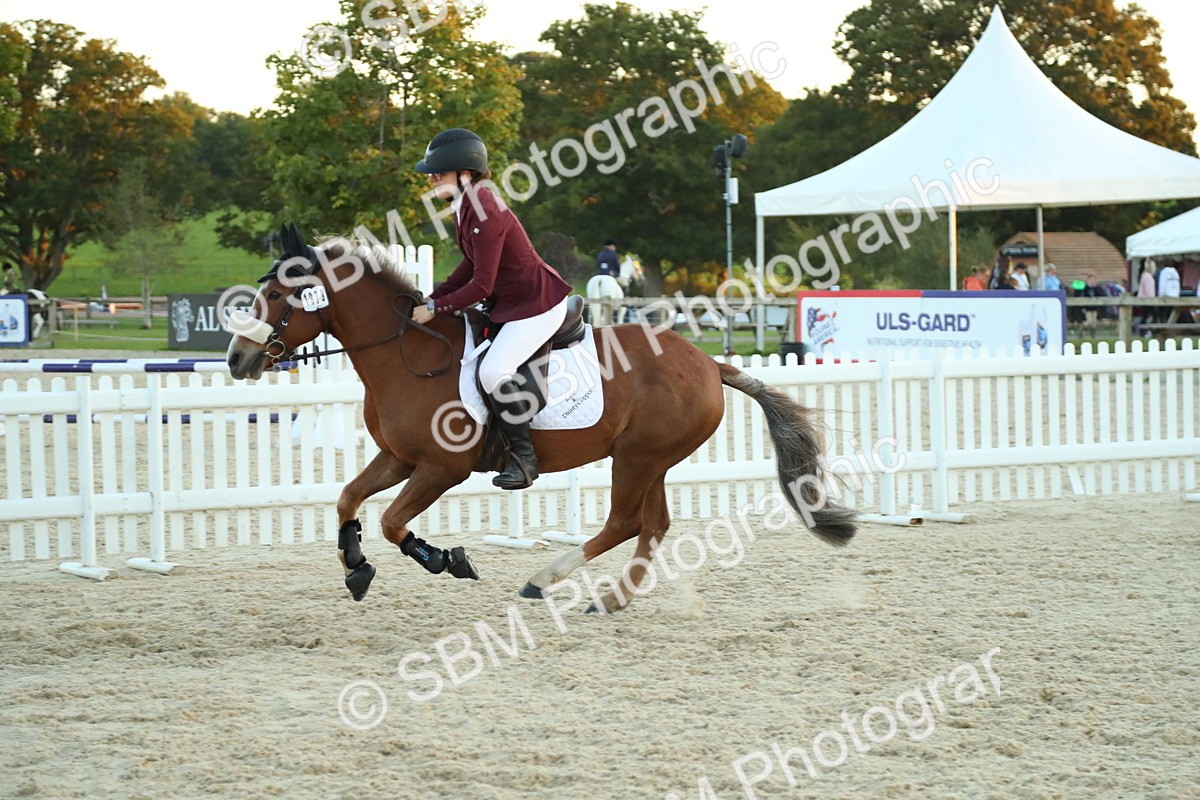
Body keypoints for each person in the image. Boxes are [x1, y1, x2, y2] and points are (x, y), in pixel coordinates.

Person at [411, 128, 571, 491]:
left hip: (536, 305)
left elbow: (481, 284)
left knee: (493, 370)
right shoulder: (466, 205)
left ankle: (524, 459)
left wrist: (437, 308)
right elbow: (468, 266)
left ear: (465, 173)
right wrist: (432, 297)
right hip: (510, 304)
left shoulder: (484, 209)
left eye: (439, 171)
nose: (431, 178)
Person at [1136, 262, 1157, 336]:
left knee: (1145, 316)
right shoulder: (1148, 277)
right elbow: (1149, 290)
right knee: (1152, 316)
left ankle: (1143, 332)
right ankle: (1147, 332)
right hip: (1147, 300)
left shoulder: (1144, 275)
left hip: (1144, 299)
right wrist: (1153, 300)